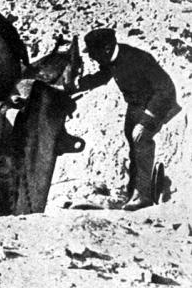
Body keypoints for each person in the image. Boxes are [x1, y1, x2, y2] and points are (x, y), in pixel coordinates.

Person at [74, 28, 180, 211]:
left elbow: (166, 89)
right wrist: (78, 85)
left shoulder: (138, 59)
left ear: (106, 48)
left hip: (156, 104)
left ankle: (143, 196)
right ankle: (133, 192)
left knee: (141, 138)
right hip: (135, 106)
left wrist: (148, 119)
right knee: (133, 146)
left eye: (93, 52)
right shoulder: (110, 58)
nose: (91, 57)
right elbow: (103, 76)